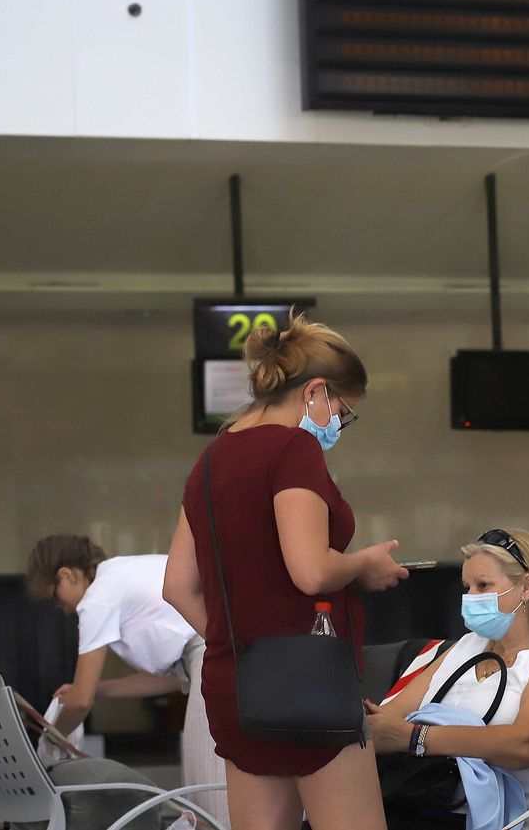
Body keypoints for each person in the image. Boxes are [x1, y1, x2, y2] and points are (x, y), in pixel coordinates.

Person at [162, 315, 409, 830]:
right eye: (342, 411)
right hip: (309, 687)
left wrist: (242, 648)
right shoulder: (293, 448)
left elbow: (178, 587)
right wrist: (364, 565)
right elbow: (311, 572)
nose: (338, 423)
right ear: (315, 391)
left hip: (235, 688)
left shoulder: (210, 460)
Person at [365, 528, 529, 830]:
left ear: (526, 587)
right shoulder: (466, 647)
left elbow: (526, 744)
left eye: (483, 585)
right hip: (419, 806)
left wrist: (416, 738)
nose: (470, 598)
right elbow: (387, 722)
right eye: (467, 587)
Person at [25, 535, 227, 825]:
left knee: (206, 797)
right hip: (216, 652)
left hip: (213, 651)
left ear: (67, 575)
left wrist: (49, 742)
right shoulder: (117, 576)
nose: (65, 610)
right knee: (207, 791)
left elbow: (80, 702)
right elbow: (174, 679)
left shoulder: (97, 598)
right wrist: (98, 690)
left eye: (56, 599)